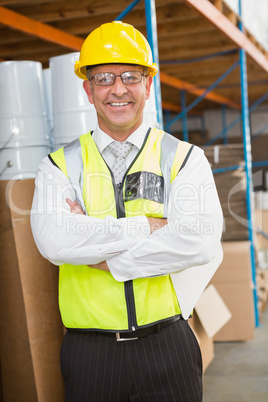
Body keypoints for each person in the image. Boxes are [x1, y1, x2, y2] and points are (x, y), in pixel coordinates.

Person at [31, 21, 223, 402]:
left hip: (168, 344)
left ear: (148, 85)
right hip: (90, 354)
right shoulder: (58, 166)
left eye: (130, 76)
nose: (118, 89)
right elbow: (55, 242)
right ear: (88, 89)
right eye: (103, 77)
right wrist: (147, 227)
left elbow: (198, 242)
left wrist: (101, 252)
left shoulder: (184, 159)